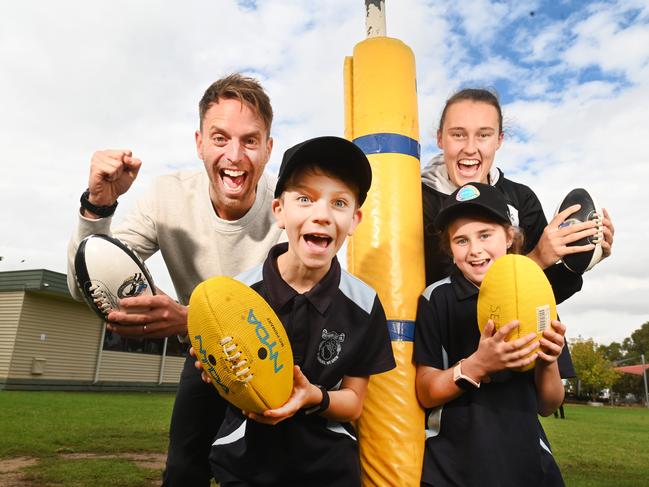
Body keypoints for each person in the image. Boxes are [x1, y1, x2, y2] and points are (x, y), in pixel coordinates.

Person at [66, 74, 283, 486]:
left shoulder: (287, 206)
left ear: (268, 149)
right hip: (202, 358)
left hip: (271, 358)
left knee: (267, 473)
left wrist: (188, 319)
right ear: (199, 142)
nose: (234, 155)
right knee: (184, 470)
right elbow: (84, 284)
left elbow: (292, 309)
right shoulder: (165, 197)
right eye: (220, 138)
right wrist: (97, 205)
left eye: (250, 141)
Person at [204, 136, 396, 486]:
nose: (321, 215)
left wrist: (312, 397)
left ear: (354, 220)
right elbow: (222, 378)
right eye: (305, 199)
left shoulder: (364, 304)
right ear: (280, 211)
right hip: (246, 465)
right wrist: (220, 373)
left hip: (328, 469)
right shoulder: (236, 297)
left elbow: (353, 403)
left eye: (338, 202)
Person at [415, 182, 570, 486]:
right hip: (453, 469)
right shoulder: (437, 298)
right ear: (449, 248)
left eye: (485, 235)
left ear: (509, 236)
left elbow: (549, 405)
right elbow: (425, 391)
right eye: (461, 240)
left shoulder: (535, 291)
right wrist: (478, 365)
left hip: (528, 466)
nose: (475, 250)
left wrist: (548, 362)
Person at [421, 88, 615, 302]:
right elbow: (450, 296)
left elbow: (548, 292)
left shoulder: (520, 197)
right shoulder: (415, 200)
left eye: (484, 135)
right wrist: (538, 258)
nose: (470, 148)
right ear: (440, 139)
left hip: (529, 332)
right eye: (458, 135)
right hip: (457, 334)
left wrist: (582, 255)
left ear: (499, 140)